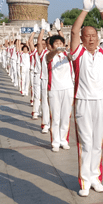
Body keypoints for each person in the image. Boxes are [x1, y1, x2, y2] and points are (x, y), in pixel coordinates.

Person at [71, 0, 103, 197]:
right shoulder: (78, 53)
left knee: (97, 142)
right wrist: (85, 10)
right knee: (85, 143)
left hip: (102, 101)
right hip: (83, 101)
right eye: (86, 36)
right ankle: (85, 180)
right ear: (82, 39)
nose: (90, 39)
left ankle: (96, 177)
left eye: (93, 36)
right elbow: (73, 31)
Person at [45, 19, 74, 152]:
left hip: (68, 88)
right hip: (54, 89)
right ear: (51, 45)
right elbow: (49, 57)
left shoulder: (67, 55)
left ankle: (64, 140)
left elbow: (71, 55)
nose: (59, 45)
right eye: (56, 43)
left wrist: (60, 31)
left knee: (65, 116)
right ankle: (55, 141)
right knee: (55, 117)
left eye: (60, 43)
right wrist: (56, 50)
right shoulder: (50, 56)